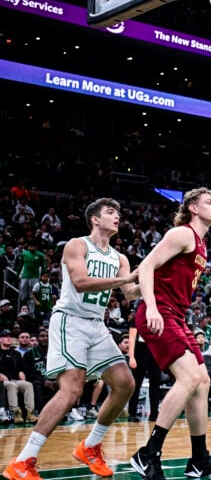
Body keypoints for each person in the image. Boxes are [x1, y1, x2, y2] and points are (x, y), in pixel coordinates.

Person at [4, 198, 141, 480]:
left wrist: (158, 281)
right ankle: (22, 460)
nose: (117, 217)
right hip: (70, 321)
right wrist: (125, 281)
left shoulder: (120, 258)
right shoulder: (77, 245)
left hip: (96, 324)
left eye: (119, 212)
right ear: (94, 219)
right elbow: (81, 281)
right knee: (72, 390)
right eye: (111, 212)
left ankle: (90, 446)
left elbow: (129, 294)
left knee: (125, 383)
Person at [129, 188, 211, 480]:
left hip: (177, 315)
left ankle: (199, 459)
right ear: (193, 208)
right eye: (209, 202)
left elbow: (157, 273)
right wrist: (149, 304)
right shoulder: (182, 234)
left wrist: (131, 289)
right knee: (188, 378)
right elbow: (148, 264)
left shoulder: (200, 243)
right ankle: (148, 453)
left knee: (202, 381)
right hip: (160, 311)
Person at [127, 309, 165, 422]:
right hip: (140, 350)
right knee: (136, 383)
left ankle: (154, 413)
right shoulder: (136, 318)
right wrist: (132, 357)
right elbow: (132, 339)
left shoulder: (159, 316)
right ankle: (132, 412)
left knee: (155, 384)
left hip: (155, 350)